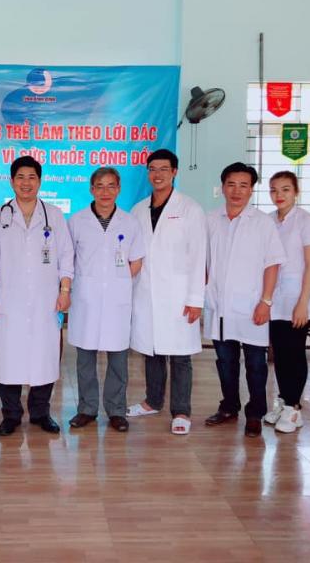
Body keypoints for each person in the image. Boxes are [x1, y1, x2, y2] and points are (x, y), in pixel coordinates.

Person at [0, 156, 74, 436]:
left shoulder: (54, 215)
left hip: (46, 299)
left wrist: (65, 290)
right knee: (8, 357)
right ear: (12, 181)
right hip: (8, 300)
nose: (26, 183)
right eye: (20, 177)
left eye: (32, 177)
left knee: (44, 356)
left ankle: (40, 413)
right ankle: (11, 415)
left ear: (40, 181)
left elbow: (66, 256)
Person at [126, 149, 207, 435]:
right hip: (146, 293)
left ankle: (181, 410)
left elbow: (199, 256)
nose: (157, 174)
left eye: (163, 169)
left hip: (178, 295)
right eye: (152, 169)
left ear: (174, 172)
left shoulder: (190, 209)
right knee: (152, 351)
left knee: (180, 355)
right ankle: (153, 401)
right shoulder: (138, 210)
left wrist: (195, 299)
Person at [203, 162, 286, 438]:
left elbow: (272, 264)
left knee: (255, 364)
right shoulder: (211, 219)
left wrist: (266, 301)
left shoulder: (262, 223)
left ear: (251, 190)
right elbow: (203, 260)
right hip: (220, 305)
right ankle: (229, 406)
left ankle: (255, 413)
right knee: (225, 361)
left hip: (252, 306)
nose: (237, 191)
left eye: (243, 185)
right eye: (231, 184)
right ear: (222, 187)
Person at [67, 168, 144, 433]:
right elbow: (68, 259)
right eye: (100, 186)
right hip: (85, 298)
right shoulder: (76, 221)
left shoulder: (130, 222)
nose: (105, 192)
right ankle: (87, 409)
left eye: (111, 186)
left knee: (118, 360)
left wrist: (116, 282)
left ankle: (116, 410)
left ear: (119, 189)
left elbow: (136, 260)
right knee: (85, 359)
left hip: (116, 299)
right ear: (91, 189)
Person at [263, 171, 310, 433]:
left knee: (295, 353)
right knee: (280, 353)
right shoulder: (268, 221)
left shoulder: (306, 221)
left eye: (285, 189)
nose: (279, 195)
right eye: (274, 190)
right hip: (275, 298)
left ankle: (294, 408)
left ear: (296, 191)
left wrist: (302, 302)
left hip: (298, 296)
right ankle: (284, 401)